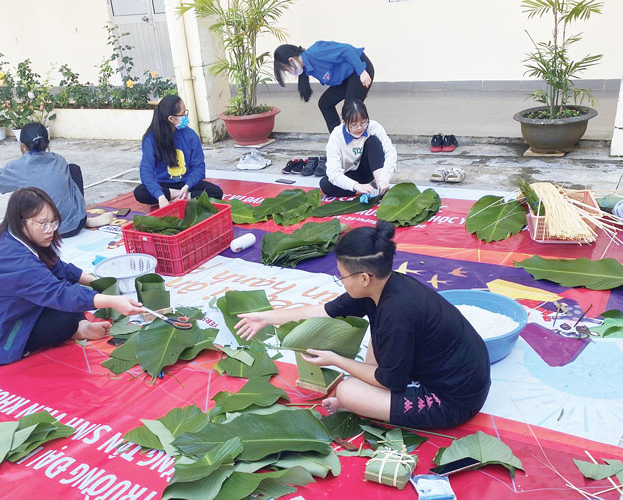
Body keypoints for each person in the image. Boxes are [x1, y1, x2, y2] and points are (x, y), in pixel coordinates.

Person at [235, 221, 491, 429]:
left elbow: (388, 380)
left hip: (454, 401)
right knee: (373, 344)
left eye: (342, 276)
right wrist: (267, 317)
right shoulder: (382, 287)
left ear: (365, 277)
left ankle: (362, 402)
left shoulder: (396, 314)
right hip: (450, 373)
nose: (341, 281)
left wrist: (335, 359)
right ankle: (367, 401)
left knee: (346, 391)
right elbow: (322, 311)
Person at [0, 187, 144, 366]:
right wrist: (113, 301)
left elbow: (57, 267)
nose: (50, 229)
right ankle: (77, 329)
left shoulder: (13, 236)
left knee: (68, 291)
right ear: (21, 221)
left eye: (53, 222)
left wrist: (99, 283)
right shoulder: (12, 257)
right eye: (42, 224)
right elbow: (58, 294)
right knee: (64, 316)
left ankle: (79, 327)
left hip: (3, 310)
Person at [0, 123, 87, 238]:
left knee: (20, 194)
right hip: (75, 225)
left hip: (41, 234)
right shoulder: (59, 159)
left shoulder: (17, 167)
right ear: (48, 143)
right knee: (73, 169)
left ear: (22, 145)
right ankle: (76, 212)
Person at [134, 94, 223, 207]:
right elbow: (146, 171)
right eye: (183, 114)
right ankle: (178, 195)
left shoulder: (190, 135)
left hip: (186, 183)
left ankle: (182, 196)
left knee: (216, 192)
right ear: (171, 119)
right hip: (164, 185)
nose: (186, 117)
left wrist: (187, 186)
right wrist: (160, 195)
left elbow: (199, 167)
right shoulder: (151, 139)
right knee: (140, 192)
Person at [274, 41, 375, 133]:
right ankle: (338, 138)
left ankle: (362, 142)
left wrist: (361, 72)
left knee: (350, 110)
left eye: (287, 70)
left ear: (291, 60)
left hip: (360, 68)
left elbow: (347, 50)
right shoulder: (307, 68)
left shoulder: (316, 53)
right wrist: (358, 90)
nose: (290, 72)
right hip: (347, 77)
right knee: (325, 103)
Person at [321, 99, 397, 198]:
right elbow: (333, 172)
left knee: (373, 141)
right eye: (354, 125)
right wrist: (356, 186)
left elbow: (390, 152)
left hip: (369, 171)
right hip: (348, 175)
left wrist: (384, 179)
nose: (359, 128)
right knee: (325, 184)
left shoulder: (374, 127)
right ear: (344, 122)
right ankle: (364, 190)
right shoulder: (336, 136)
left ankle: (380, 186)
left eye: (363, 122)